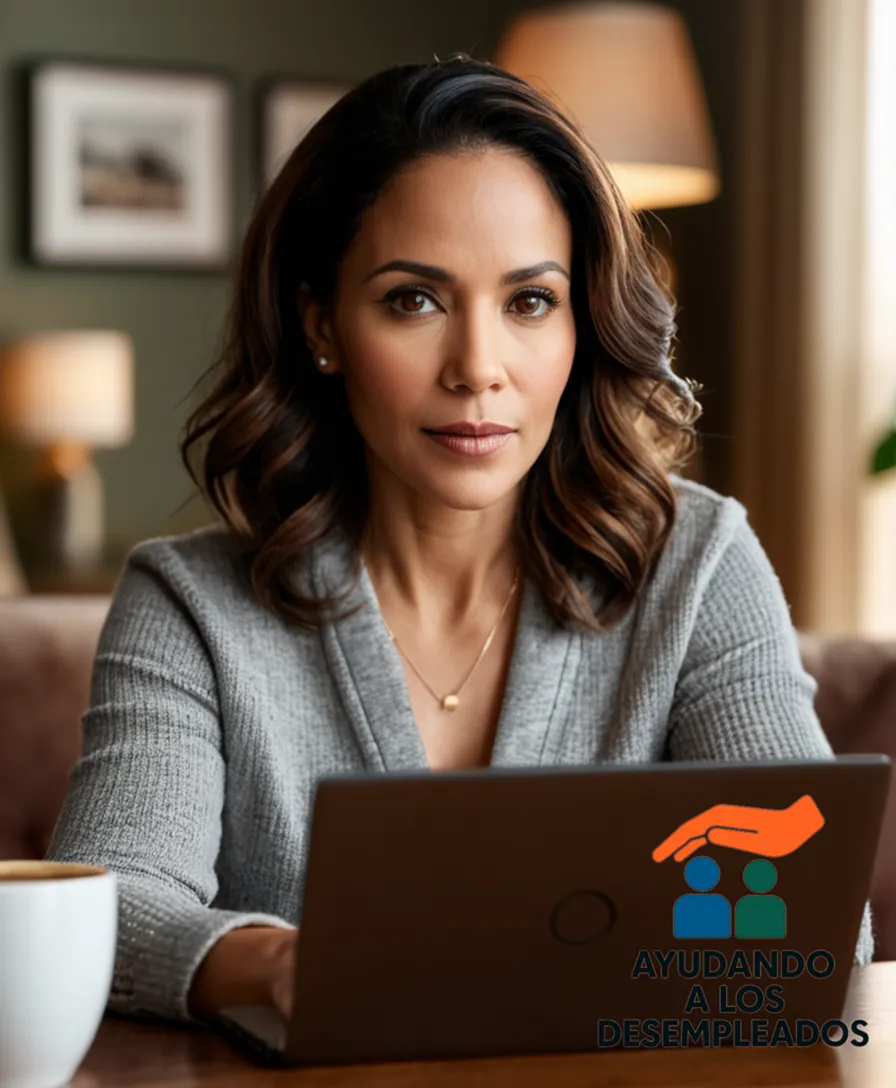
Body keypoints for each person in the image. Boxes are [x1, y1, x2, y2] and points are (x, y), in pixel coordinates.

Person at [44, 53, 874, 1030]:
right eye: (414, 299)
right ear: (321, 322)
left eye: (528, 301)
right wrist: (280, 962)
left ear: (581, 321)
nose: (477, 369)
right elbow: (104, 914)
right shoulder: (189, 603)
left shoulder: (697, 565)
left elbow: (813, 928)